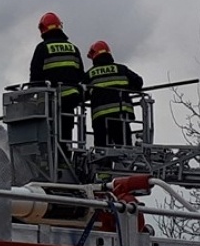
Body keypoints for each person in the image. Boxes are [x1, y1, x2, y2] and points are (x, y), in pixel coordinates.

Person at [30, 12, 84, 149]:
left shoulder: (42, 48)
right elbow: (81, 76)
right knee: (66, 131)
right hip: (70, 97)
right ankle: (64, 160)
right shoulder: (73, 48)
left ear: (43, 29)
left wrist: (28, 96)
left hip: (51, 99)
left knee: (49, 133)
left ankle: (48, 160)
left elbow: (35, 77)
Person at [84, 40, 143, 147]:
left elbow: (82, 93)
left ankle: (104, 164)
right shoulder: (121, 69)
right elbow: (138, 82)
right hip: (121, 116)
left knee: (102, 153)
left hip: (100, 119)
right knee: (125, 151)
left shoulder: (90, 75)